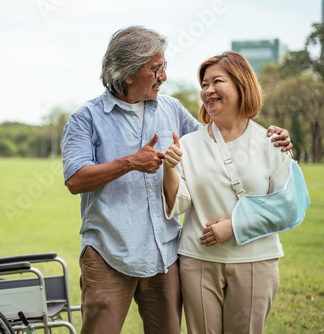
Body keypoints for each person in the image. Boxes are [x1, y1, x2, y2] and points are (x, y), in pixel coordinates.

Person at [61, 26, 292, 334]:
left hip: (165, 256)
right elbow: (75, 180)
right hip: (108, 253)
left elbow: (217, 139)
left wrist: (270, 136)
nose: (164, 76)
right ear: (128, 73)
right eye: (156, 69)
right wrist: (130, 162)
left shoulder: (171, 108)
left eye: (164, 67)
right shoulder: (86, 118)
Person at [162, 51, 296, 334]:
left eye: (217, 81)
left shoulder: (271, 142)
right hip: (198, 260)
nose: (208, 90)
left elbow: (288, 208)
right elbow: (178, 203)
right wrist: (169, 169)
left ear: (241, 84)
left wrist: (233, 227)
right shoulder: (188, 143)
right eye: (204, 84)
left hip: (255, 261)